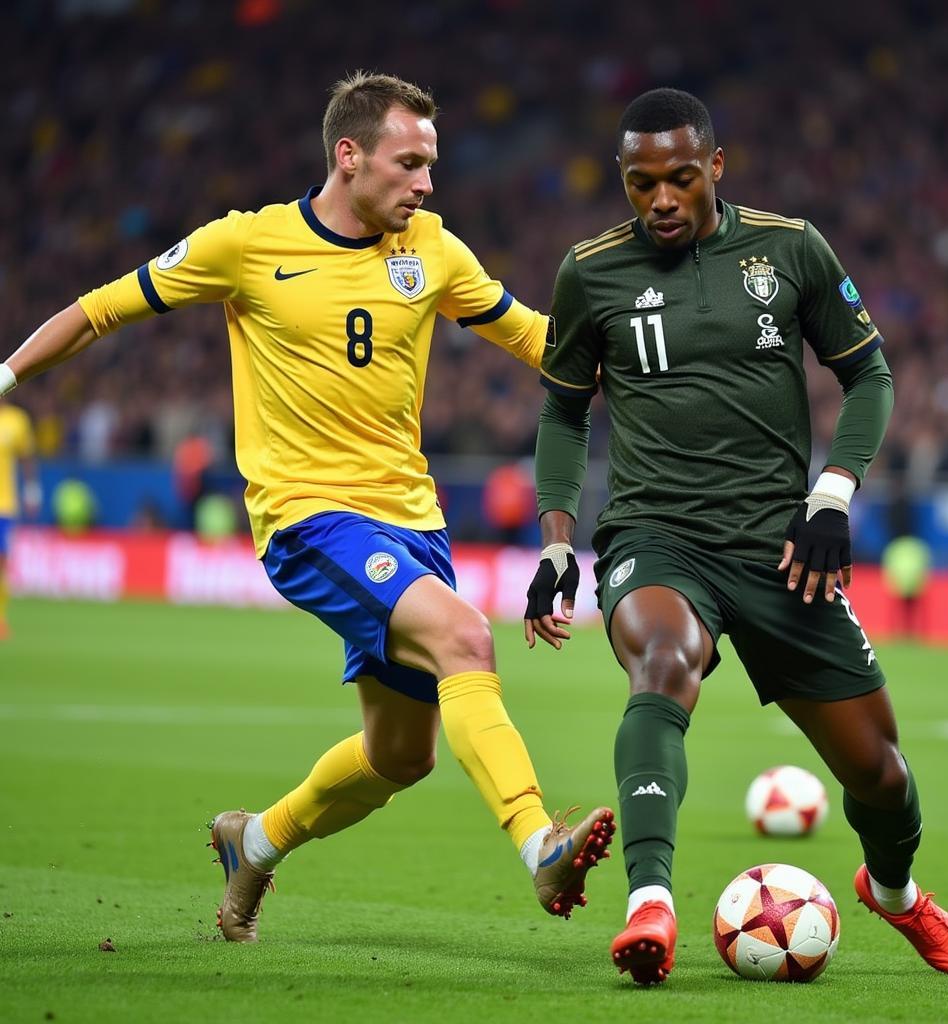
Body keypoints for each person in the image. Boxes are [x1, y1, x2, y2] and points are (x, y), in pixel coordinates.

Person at [1, 71, 613, 943]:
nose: (427, 184)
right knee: (465, 637)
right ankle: (537, 842)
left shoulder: (433, 249)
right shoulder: (245, 245)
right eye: (409, 164)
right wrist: (6, 377)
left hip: (413, 523)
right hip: (309, 519)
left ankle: (252, 842)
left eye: (431, 165)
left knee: (401, 755)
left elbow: (533, 337)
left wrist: (648, 362)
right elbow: (99, 312)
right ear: (349, 155)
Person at [524, 88, 948, 984]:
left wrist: (831, 498)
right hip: (655, 535)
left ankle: (894, 894)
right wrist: (554, 541)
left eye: (681, 179)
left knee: (881, 776)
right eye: (641, 183)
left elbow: (871, 376)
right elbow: (561, 411)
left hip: (779, 548)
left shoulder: (789, 248)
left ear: (716, 168)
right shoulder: (591, 271)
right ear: (623, 181)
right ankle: (648, 903)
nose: (661, 199)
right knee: (663, 659)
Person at [0, 397, 41, 639]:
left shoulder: (17, 420)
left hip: (4, 504)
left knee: (2, 563)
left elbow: (27, 459)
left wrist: (32, 491)